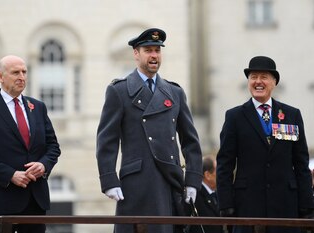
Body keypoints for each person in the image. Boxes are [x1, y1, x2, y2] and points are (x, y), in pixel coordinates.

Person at [96, 28, 203, 233]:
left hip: (170, 180)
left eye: (157, 50)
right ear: (136, 54)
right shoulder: (119, 91)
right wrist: (109, 179)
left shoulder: (175, 92)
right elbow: (107, 139)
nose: (154, 56)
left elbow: (191, 141)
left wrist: (192, 180)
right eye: (148, 50)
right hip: (137, 183)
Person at [216, 56, 314, 233]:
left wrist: (307, 204)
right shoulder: (235, 117)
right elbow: (225, 164)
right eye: (253, 77)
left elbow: (301, 164)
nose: (258, 82)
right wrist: (225, 204)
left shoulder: (292, 115)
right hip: (247, 205)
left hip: (285, 206)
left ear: (274, 82)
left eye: (264, 77)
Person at [0, 55, 61, 233]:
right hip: (2, 201)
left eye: (24, 72)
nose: (22, 77)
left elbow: (53, 147)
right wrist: (10, 175)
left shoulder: (38, 107)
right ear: (0, 77)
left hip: (35, 201)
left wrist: (43, 165)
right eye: (15, 72)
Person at [191, 156, 224, 233]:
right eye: (218, 170)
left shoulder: (215, 193)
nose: (221, 174)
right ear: (207, 175)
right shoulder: (196, 196)